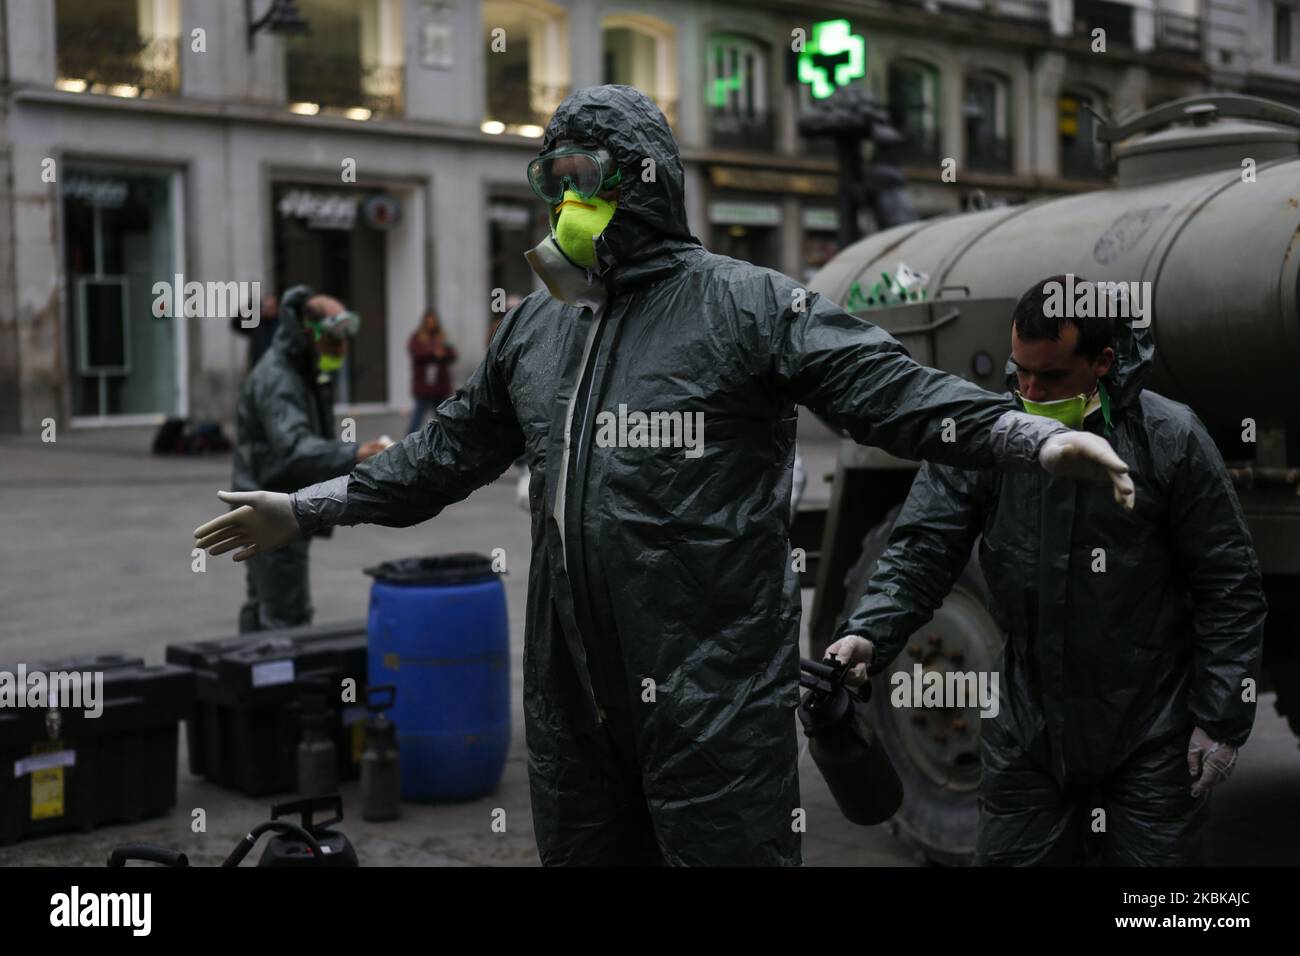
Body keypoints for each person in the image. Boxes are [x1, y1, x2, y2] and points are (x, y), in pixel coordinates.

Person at [194, 86, 1134, 866]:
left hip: (714, 704)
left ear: (640, 183)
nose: (564, 203)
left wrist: (1025, 435)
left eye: (583, 181)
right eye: (551, 182)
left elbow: (886, 388)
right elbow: (436, 458)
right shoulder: (535, 330)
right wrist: (306, 506)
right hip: (573, 709)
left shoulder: (744, 306)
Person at [828, 275, 1267, 866]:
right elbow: (924, 546)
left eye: (1052, 376)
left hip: (1150, 730)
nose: (1030, 390)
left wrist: (1220, 720)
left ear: (1104, 362)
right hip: (1026, 728)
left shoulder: (1171, 440)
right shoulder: (995, 433)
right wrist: (869, 631)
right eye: (1020, 371)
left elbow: (1228, 586)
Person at [223, 285, 387, 632]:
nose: (342, 351)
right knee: (286, 618)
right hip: (269, 507)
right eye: (334, 341)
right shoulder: (280, 377)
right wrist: (353, 452)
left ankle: (250, 676)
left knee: (264, 604)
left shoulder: (302, 366)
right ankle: (271, 680)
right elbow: (294, 446)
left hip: (271, 499)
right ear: (308, 334)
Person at [407, 308, 458, 434]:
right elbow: (415, 352)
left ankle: (444, 440)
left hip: (439, 385)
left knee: (441, 417)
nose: (431, 324)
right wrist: (433, 353)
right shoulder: (418, 336)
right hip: (423, 385)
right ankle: (408, 440)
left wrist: (443, 354)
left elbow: (452, 354)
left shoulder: (442, 336)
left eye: (433, 321)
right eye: (428, 321)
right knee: (417, 416)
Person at [230, 291, 280, 373]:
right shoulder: (256, 323)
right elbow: (236, 323)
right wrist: (250, 306)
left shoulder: (281, 324)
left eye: (271, 307)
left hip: (276, 367)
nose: (268, 309)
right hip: (258, 366)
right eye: (265, 307)